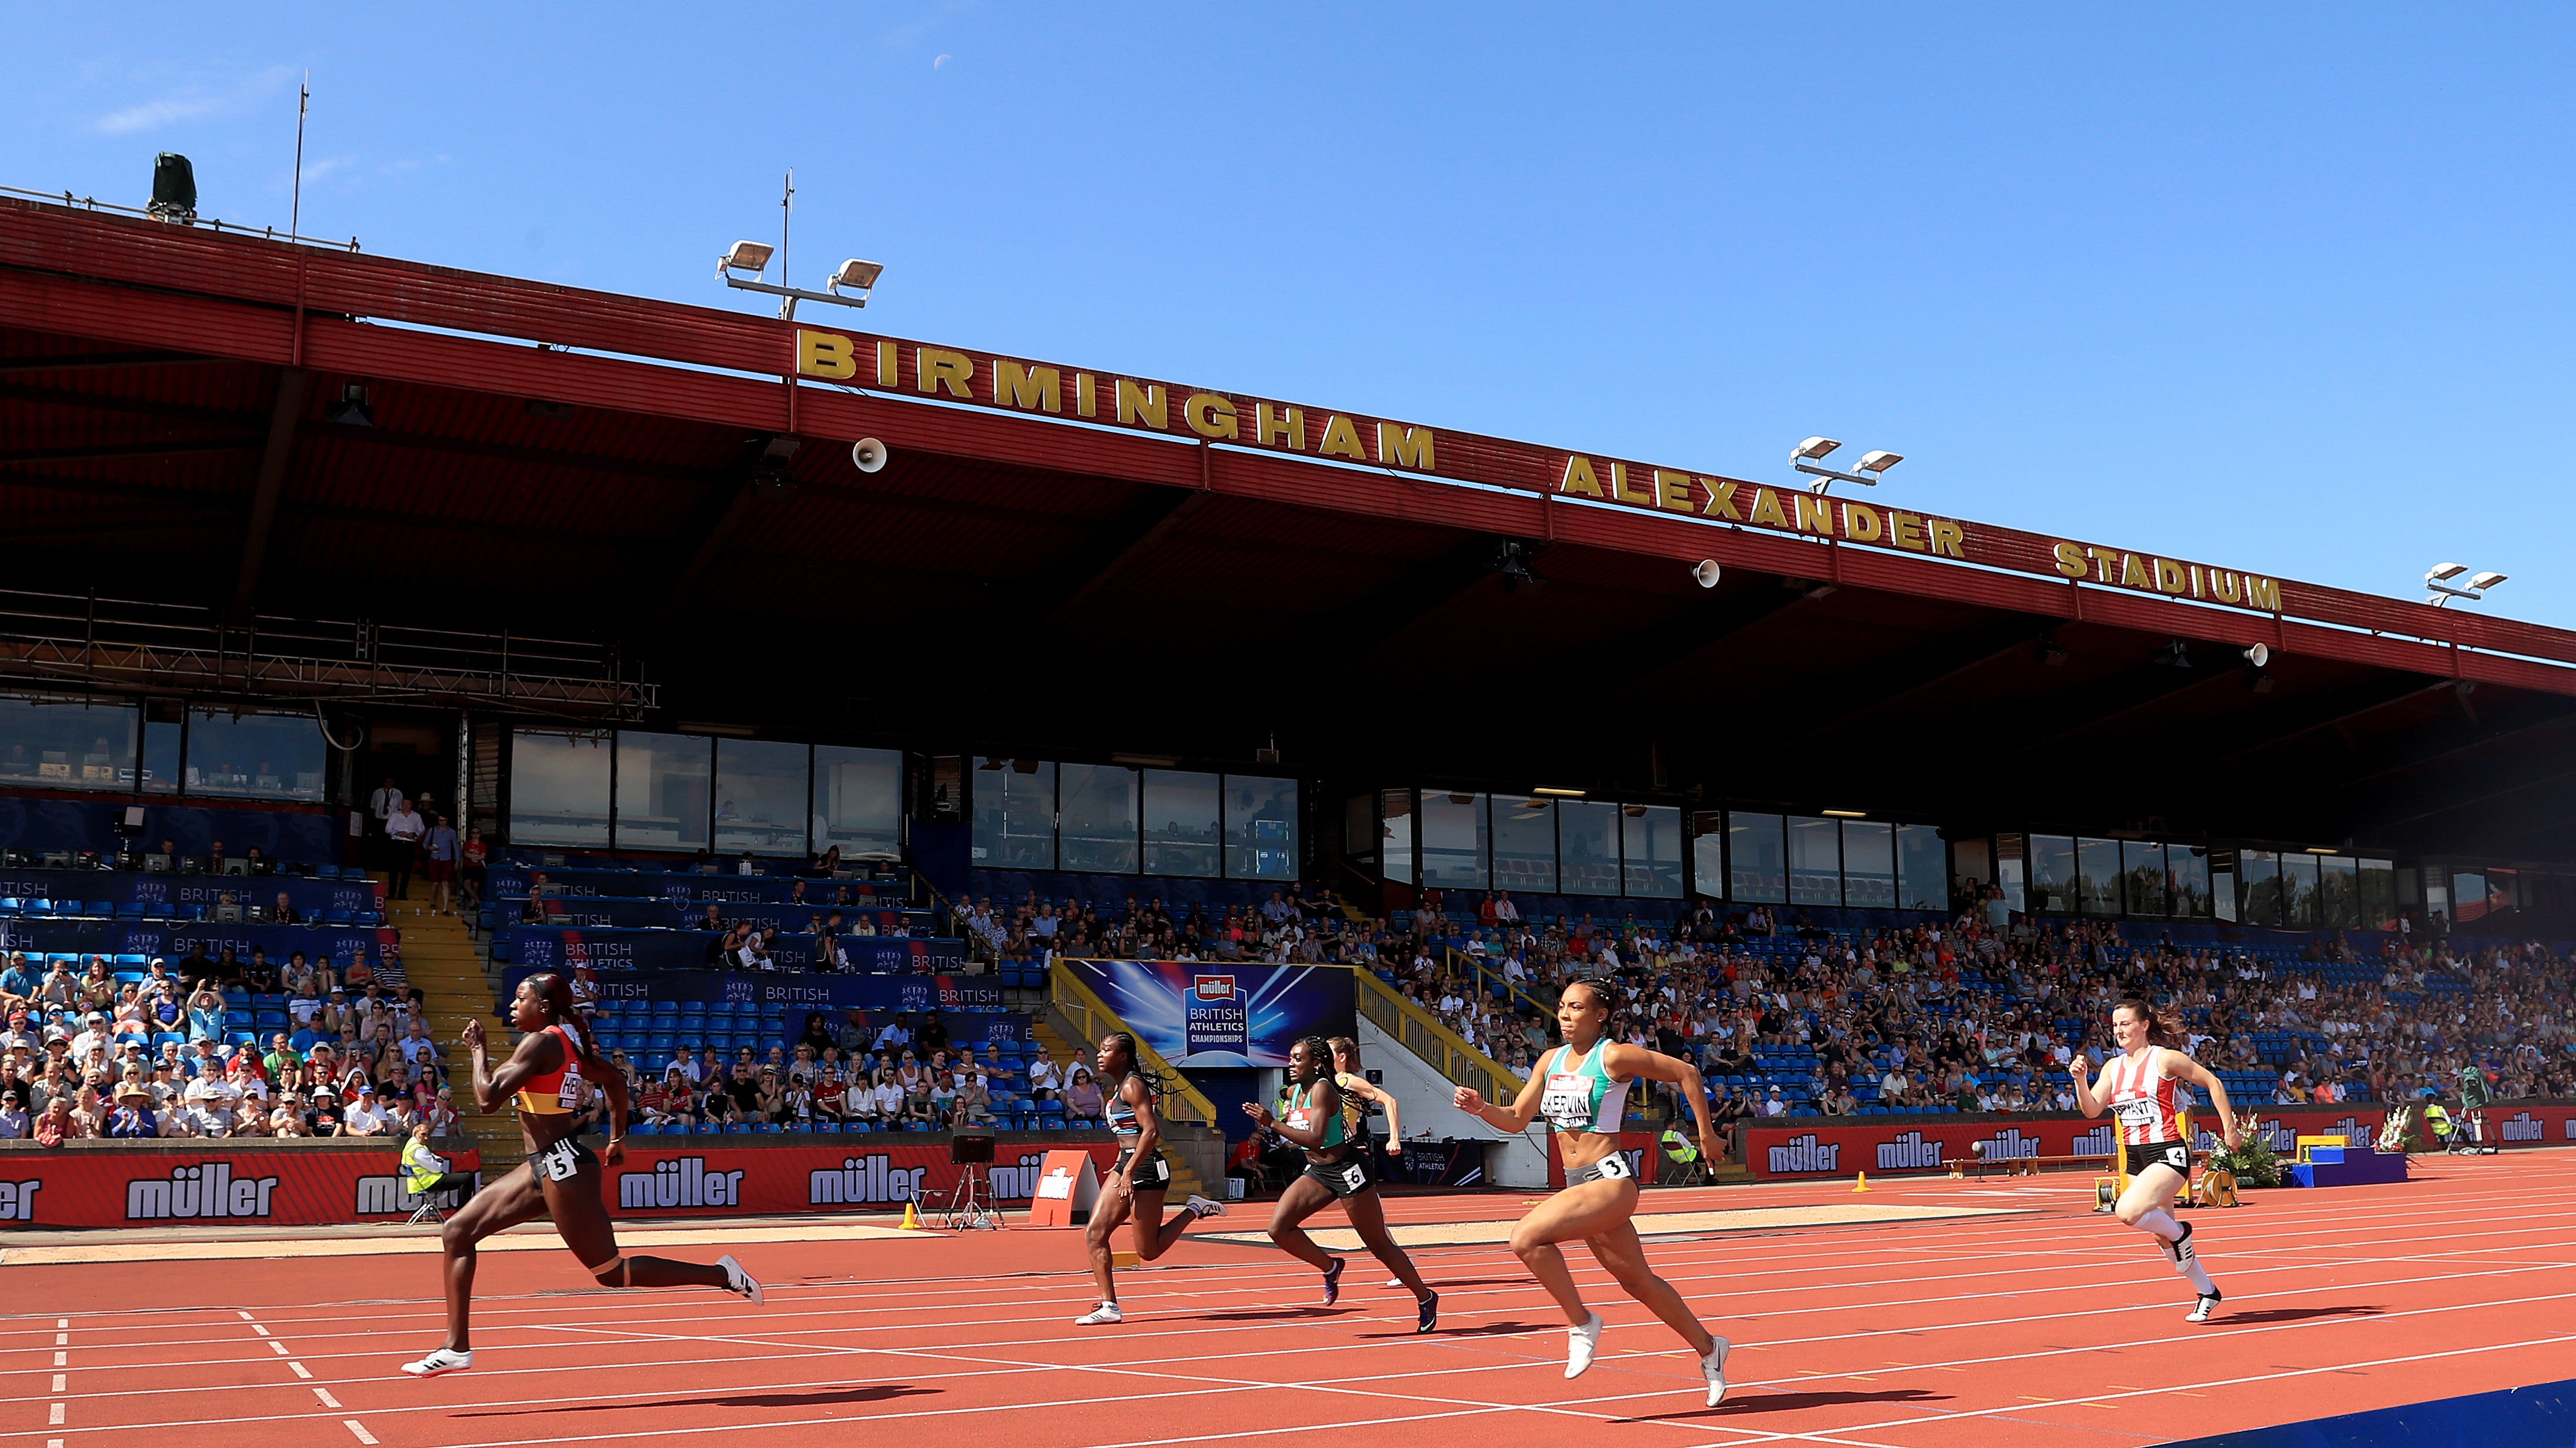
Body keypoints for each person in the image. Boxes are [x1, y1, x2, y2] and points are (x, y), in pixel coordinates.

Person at [400, 973, 763, 1377]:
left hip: (564, 1166)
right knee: (457, 1233)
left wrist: (478, 1050)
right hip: (543, 1164)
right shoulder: (565, 1044)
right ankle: (456, 1347)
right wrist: (618, 1137)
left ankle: (722, 1274)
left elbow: (486, 1098)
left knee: (611, 1272)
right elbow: (613, 1080)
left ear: (544, 1007)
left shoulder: (542, 1042)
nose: (512, 1007)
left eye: (521, 1000)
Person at [1451, 979, 1733, 1406]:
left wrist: (1706, 1137)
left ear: (1599, 1015)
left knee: (1525, 1238)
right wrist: (1480, 1108)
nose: (1564, 1015)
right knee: (1638, 1282)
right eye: (1562, 1006)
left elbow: (1686, 1072)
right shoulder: (1550, 1060)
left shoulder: (1613, 1056)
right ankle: (1710, 1348)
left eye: (1576, 1008)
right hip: (1577, 1183)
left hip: (1609, 1181)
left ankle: (1581, 1322)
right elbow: (1514, 1119)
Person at [1242, 1037, 1438, 1330]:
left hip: (1347, 1169)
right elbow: (1299, 1137)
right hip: (1319, 1170)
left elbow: (1316, 1138)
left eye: (1298, 1059)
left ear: (1316, 1063)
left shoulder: (1323, 1089)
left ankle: (1425, 1297)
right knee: (1278, 1228)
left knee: (1378, 1244)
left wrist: (1272, 1123)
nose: (1291, 1064)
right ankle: (1331, 1266)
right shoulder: (1293, 1092)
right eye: (1291, 1058)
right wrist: (1277, 1133)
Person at [2071, 997, 2239, 1323]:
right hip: (2134, 1157)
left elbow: (2213, 1083)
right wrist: (2080, 1080)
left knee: (2126, 1212)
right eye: (2115, 1025)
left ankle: (2182, 1233)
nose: (2119, 1030)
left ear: (2144, 1025)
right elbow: (2092, 1110)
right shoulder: (2112, 1068)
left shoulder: (2164, 1060)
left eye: (2126, 1024)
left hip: (2167, 1152)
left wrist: (2230, 1129)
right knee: (2161, 1235)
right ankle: (2208, 1292)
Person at [1074, 1032, 1227, 1326]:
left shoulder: (1132, 1086)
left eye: (1106, 1050)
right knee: (1094, 1234)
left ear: (1123, 1056)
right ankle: (1109, 1306)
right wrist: (1122, 1166)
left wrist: (1130, 1170)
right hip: (1126, 1164)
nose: (1099, 1054)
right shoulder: (1119, 1088)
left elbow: (1151, 1132)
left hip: (1147, 1168)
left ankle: (1194, 1209)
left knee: (1149, 1251)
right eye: (1100, 1050)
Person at [402, 1120, 477, 1205]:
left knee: (466, 1175)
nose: (426, 1138)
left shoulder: (413, 1146)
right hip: (428, 1182)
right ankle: (463, 1211)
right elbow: (437, 1169)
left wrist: (435, 1160)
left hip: (424, 1182)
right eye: (423, 1134)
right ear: (415, 1134)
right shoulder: (418, 1149)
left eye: (428, 1135)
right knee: (467, 1178)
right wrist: (439, 1162)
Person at [385, 796, 426, 902]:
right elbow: (388, 829)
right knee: (393, 870)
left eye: (408, 805)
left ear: (411, 806)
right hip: (397, 843)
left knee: (406, 870)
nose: (406, 806)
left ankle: (402, 894)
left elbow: (421, 829)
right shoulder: (395, 815)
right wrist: (399, 833)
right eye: (404, 804)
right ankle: (391, 894)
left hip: (409, 844)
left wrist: (414, 835)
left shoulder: (416, 816)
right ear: (401, 805)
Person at [423, 815, 460, 916]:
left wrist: (457, 861)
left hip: (446, 859)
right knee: (435, 883)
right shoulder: (433, 830)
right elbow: (425, 844)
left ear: (447, 820)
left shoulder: (452, 832)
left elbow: (456, 847)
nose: (442, 822)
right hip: (435, 858)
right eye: (440, 820)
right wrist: (430, 848)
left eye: (444, 820)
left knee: (446, 883)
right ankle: (433, 902)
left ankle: (445, 908)